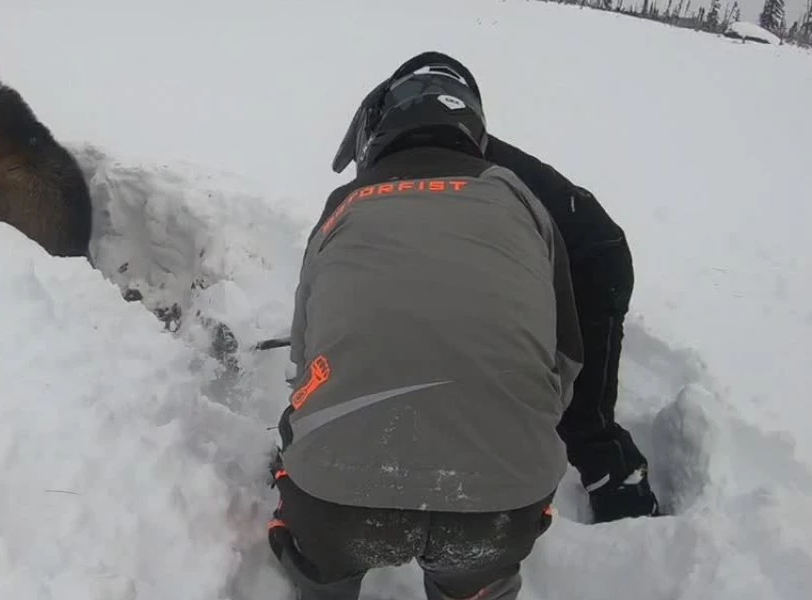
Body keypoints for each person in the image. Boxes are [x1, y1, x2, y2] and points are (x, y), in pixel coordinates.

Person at [268, 51, 583, 600]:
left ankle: (322, 577)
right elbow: (565, 361)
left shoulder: (345, 205)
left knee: (322, 549)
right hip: (500, 508)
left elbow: (303, 358)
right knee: (479, 573)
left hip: (340, 501)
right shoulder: (522, 201)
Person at [480, 136, 660, 524]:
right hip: (548, 261)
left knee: (583, 414)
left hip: (589, 264)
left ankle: (628, 505)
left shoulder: (455, 165)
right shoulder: (449, 155)